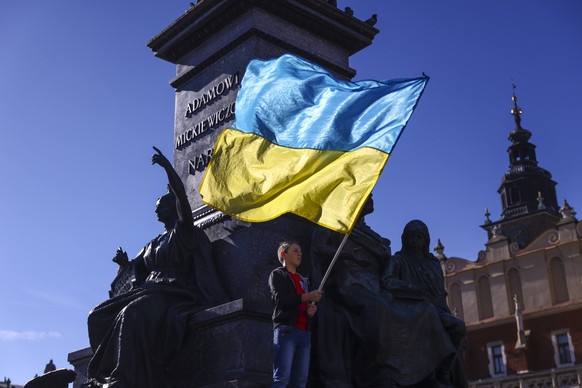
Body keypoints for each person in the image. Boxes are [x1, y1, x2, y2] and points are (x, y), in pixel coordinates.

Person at [85, 147, 229, 388]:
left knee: (132, 314)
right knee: (96, 316)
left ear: (173, 208)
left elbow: (183, 198)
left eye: (160, 204)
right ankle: (102, 376)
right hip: (148, 290)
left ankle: (124, 378)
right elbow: (135, 269)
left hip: (173, 292)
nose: (155, 208)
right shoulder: (153, 243)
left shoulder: (184, 232)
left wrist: (168, 169)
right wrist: (124, 264)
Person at [381, 220, 467, 387]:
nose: (415, 241)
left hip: (437, 310)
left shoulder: (433, 263)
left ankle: (445, 370)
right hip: (411, 312)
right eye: (411, 236)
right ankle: (439, 372)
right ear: (404, 239)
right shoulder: (398, 260)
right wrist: (412, 288)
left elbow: (440, 293)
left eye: (419, 237)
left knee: (458, 328)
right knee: (448, 326)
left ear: (426, 240)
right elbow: (387, 281)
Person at [268, 241, 323, 388]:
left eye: (300, 251)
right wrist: (308, 296)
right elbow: (281, 300)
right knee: (281, 378)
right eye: (295, 250)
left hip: (304, 333)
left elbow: (304, 305)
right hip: (286, 330)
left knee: (300, 381)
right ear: (283, 254)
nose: (300, 253)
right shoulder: (278, 274)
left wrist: (311, 311)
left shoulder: (303, 280)